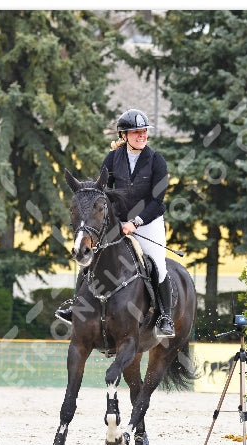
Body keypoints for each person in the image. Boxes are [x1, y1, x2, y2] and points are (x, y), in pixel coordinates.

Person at [56, 108, 175, 338]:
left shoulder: (156, 161)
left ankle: (165, 317)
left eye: (144, 132)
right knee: (91, 256)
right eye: (136, 132)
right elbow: (102, 191)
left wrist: (136, 222)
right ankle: (76, 306)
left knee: (158, 264)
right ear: (124, 136)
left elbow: (158, 200)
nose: (142, 135)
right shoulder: (112, 159)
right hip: (119, 221)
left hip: (149, 221)